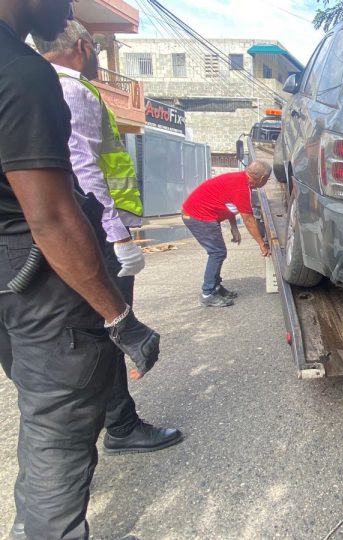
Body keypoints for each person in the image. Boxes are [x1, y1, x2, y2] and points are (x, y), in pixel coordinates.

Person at [0, 1, 161, 538]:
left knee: (41, 392)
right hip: (43, 274)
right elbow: (54, 211)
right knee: (56, 419)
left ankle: (120, 424)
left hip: (12, 276)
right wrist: (119, 314)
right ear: (85, 48)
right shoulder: (29, 76)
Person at [34, 21, 182, 455]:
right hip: (91, 231)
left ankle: (105, 426)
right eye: (97, 48)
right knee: (113, 325)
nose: (99, 56)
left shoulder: (34, 84)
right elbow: (84, 168)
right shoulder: (73, 89)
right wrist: (117, 236)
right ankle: (119, 426)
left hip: (59, 230)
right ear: (83, 46)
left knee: (80, 332)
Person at [182, 162, 271, 307]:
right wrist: (262, 245)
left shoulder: (240, 179)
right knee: (217, 252)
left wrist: (234, 227)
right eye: (267, 180)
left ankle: (216, 288)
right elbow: (248, 219)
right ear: (262, 178)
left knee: (218, 252)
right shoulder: (242, 187)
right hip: (198, 216)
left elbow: (229, 203)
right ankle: (207, 294)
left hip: (199, 213)